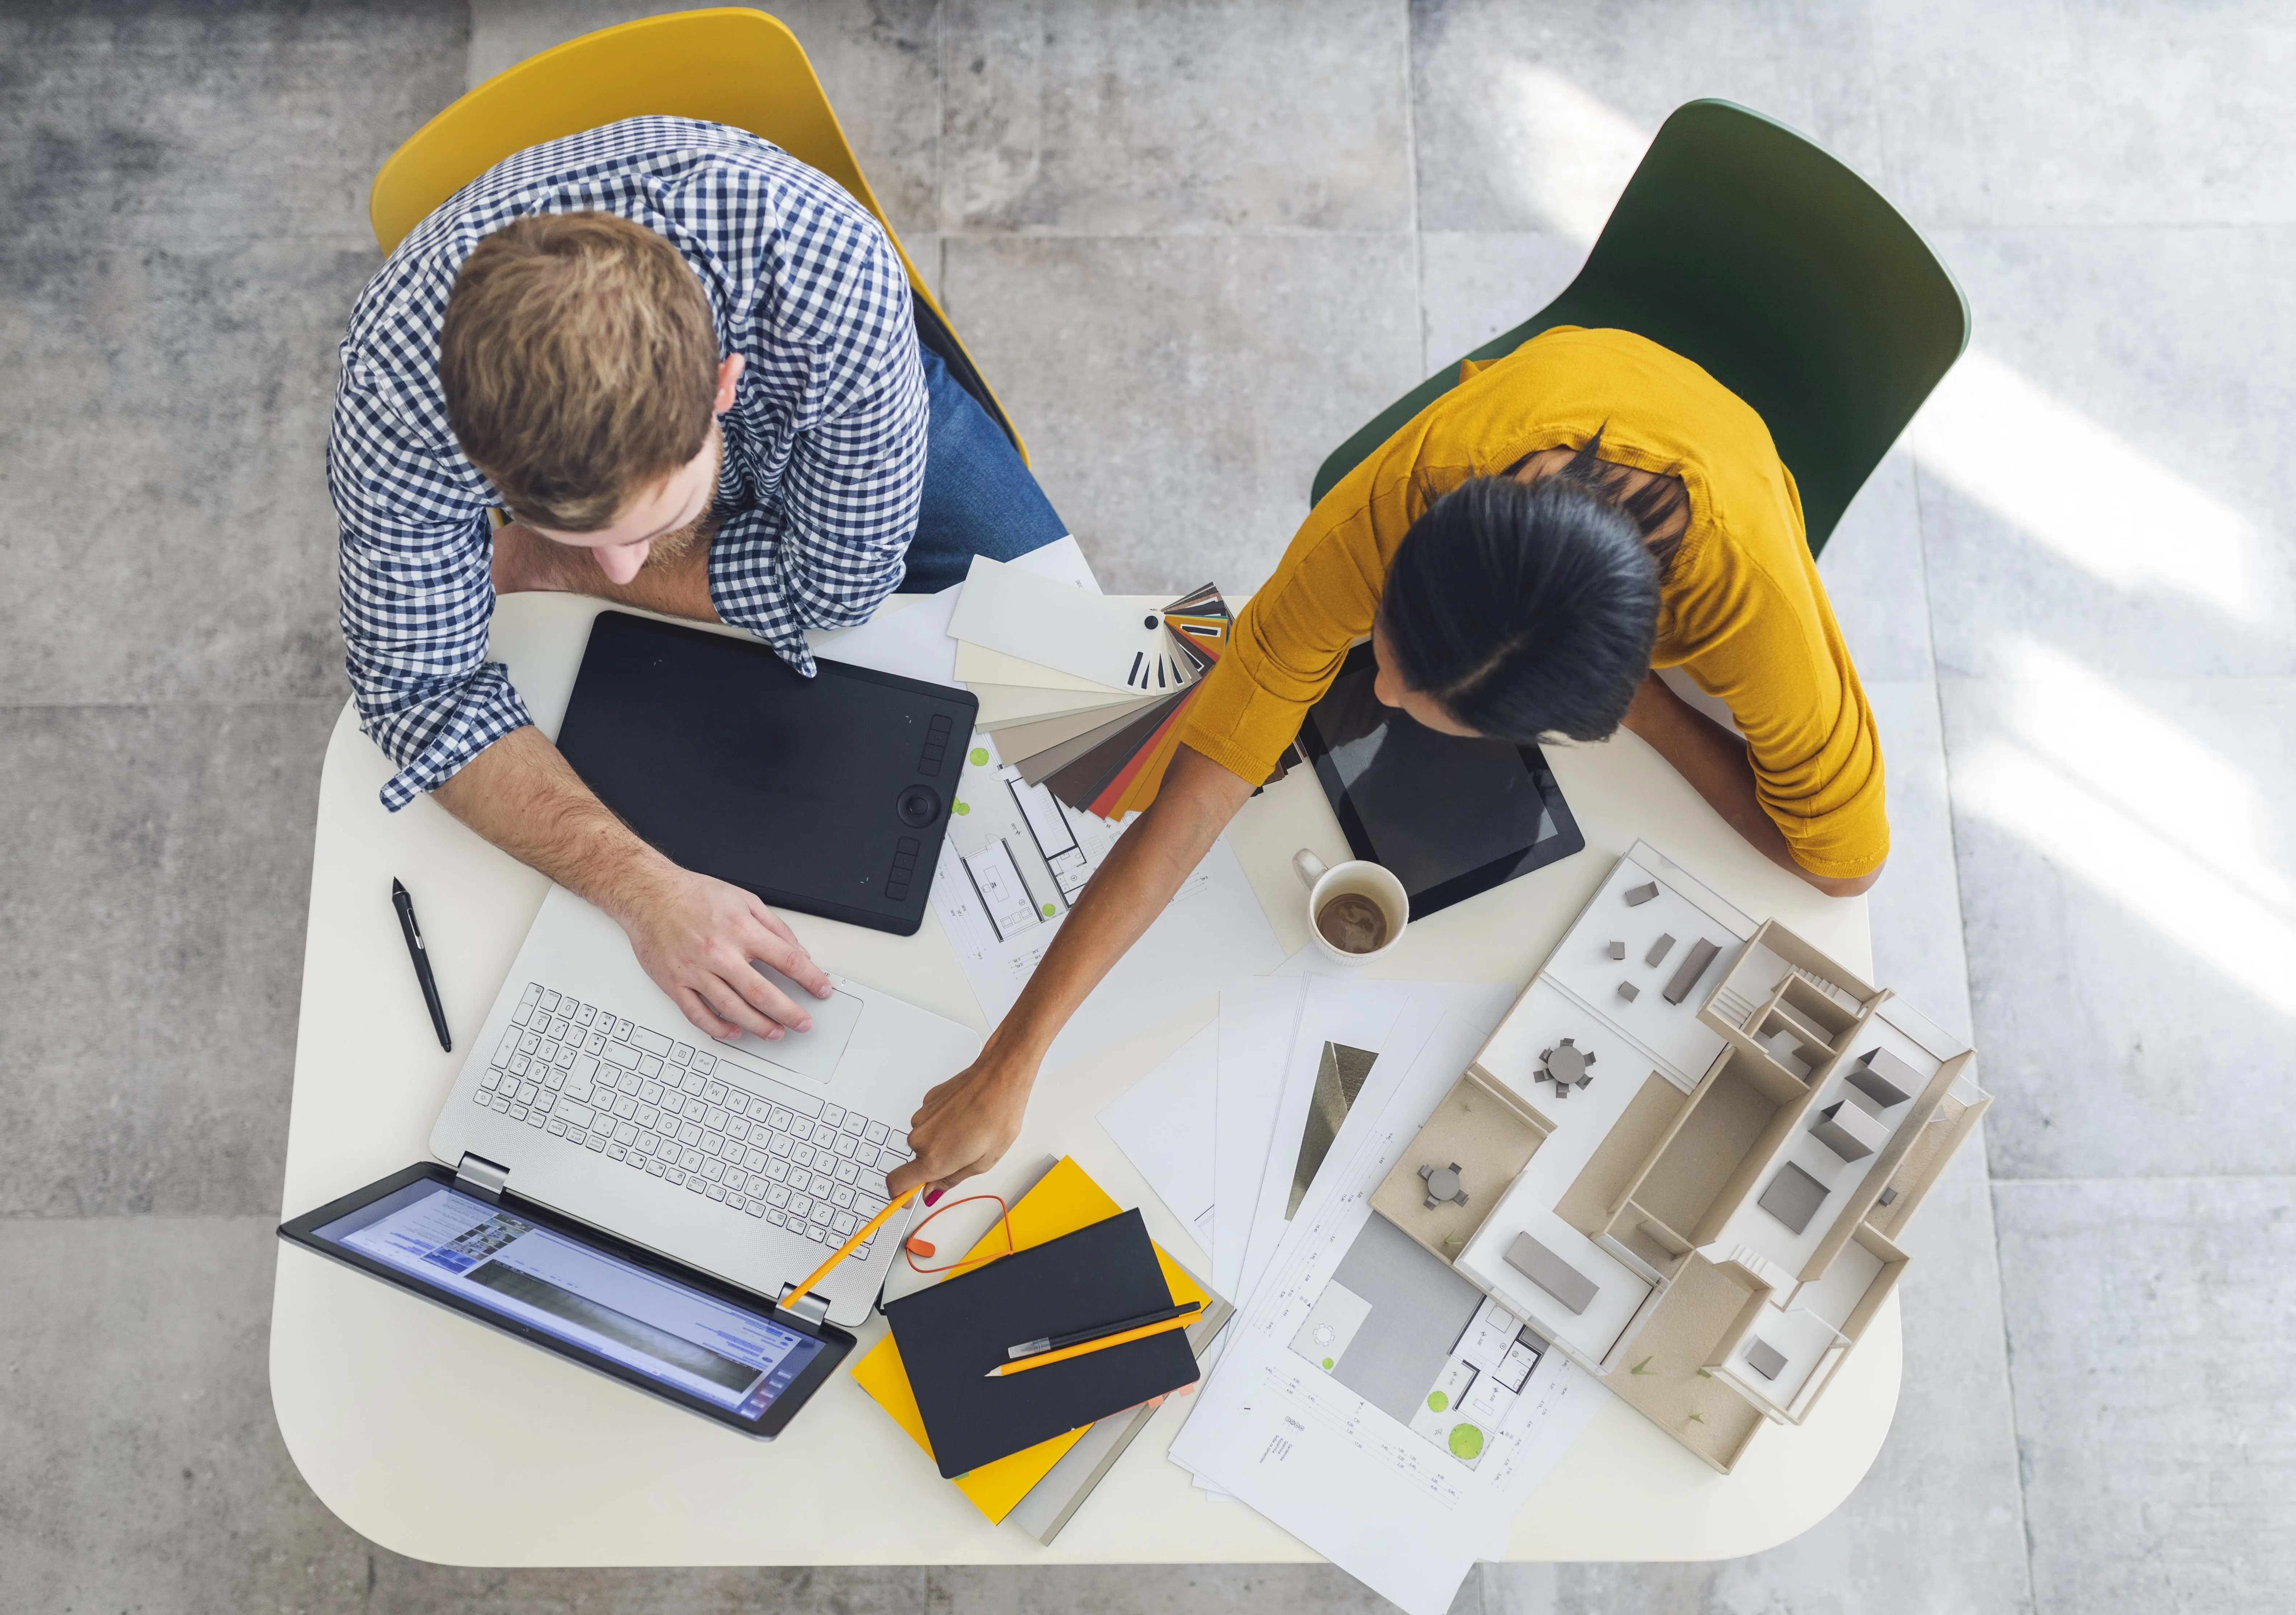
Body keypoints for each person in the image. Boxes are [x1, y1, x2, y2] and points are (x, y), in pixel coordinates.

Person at [886, 324, 1887, 1205]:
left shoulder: (1749, 605)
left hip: (1725, 463)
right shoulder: (1397, 501)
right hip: (1557, 384)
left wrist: (1654, 711)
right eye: (1391, 652)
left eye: (1423, 698)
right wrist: (1010, 1062)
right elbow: (1198, 796)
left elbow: (1845, 864)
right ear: (1409, 561)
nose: (1387, 698)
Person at [328, 117, 1065, 1047]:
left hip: (827, 407)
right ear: (477, 458)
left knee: (1055, 628)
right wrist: (644, 891)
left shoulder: (825, 269)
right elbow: (419, 697)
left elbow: (839, 589)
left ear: (722, 384)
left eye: (645, 531)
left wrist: (548, 560)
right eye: (583, 541)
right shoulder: (400, 394)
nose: (622, 574)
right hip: (736, 468)